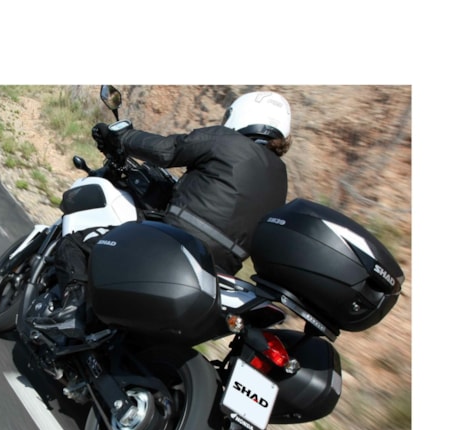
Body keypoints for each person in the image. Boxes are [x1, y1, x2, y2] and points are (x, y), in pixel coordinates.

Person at [34, 90, 292, 326]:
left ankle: (73, 309)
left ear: (242, 114)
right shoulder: (280, 176)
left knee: (77, 242)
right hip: (219, 273)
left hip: (173, 243)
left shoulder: (224, 140)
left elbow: (167, 150)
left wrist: (123, 136)